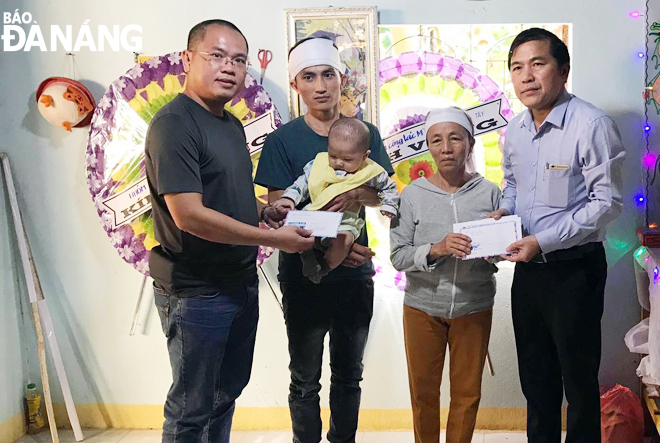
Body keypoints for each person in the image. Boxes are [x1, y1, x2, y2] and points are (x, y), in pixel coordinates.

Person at [144, 19, 314, 443]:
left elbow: (223, 192)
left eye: (238, 60)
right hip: (196, 290)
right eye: (216, 56)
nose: (229, 68)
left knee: (225, 394)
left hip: (238, 282)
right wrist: (274, 240)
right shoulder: (174, 125)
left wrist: (264, 212)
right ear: (188, 58)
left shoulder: (230, 123)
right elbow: (190, 216)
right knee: (191, 408)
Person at [487, 28, 625, 443]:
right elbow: (512, 185)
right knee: (536, 377)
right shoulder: (515, 129)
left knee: (578, 380)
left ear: (563, 70)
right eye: (516, 67)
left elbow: (607, 202)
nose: (526, 76)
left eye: (537, 64)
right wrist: (504, 213)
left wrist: (542, 241)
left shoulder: (592, 123)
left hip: (574, 271)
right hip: (528, 271)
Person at [254, 36, 394, 443]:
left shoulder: (366, 134)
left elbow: (380, 193)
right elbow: (280, 212)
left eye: (328, 74)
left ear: (341, 79)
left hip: (355, 273)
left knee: (350, 375)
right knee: (305, 378)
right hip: (303, 273)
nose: (320, 85)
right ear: (296, 84)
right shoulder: (283, 141)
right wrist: (333, 243)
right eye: (309, 76)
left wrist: (355, 198)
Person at [390, 107, 501, 443]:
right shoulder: (411, 195)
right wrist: (435, 249)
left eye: (455, 138)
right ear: (428, 147)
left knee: (468, 395)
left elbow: (499, 249)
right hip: (422, 307)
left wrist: (499, 247)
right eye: (436, 140)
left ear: (470, 142)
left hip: (474, 304)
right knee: (423, 394)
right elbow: (397, 255)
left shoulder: (490, 193)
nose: (446, 147)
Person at [270, 118, 399, 283]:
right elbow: (301, 185)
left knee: (343, 241)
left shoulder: (370, 170)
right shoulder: (317, 165)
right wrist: (289, 199)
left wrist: (389, 205)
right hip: (314, 216)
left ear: (364, 155)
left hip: (345, 222)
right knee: (299, 233)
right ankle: (307, 255)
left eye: (347, 159)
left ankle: (324, 268)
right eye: (333, 155)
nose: (338, 162)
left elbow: (388, 188)